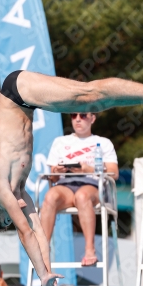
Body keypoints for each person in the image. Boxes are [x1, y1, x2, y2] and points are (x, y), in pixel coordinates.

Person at [0, 70, 143, 286]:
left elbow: (25, 233)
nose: (15, 216)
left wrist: (41, 273)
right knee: (94, 99)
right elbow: (38, 232)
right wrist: (47, 274)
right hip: (24, 101)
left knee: (90, 95)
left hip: (16, 92)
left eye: (7, 218)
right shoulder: (19, 189)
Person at [40, 111, 118, 266]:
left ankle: (90, 249)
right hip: (66, 184)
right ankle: (42, 249)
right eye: (73, 115)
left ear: (92, 118)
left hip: (93, 184)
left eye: (83, 115)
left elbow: (114, 173)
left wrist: (87, 170)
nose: (77, 119)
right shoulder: (60, 142)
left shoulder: (103, 142)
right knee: (50, 196)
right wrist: (57, 171)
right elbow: (53, 177)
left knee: (82, 196)